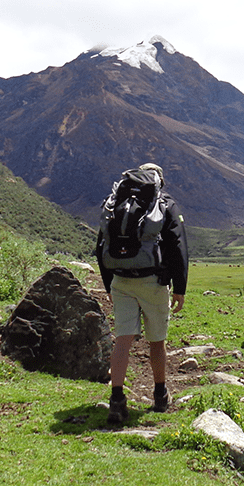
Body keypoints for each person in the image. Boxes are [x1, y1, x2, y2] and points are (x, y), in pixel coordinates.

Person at [95, 163, 188, 425]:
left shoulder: (115, 202)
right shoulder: (163, 203)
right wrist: (179, 287)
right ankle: (160, 395)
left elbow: (101, 245)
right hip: (152, 281)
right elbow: (177, 245)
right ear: (159, 181)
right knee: (156, 341)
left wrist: (108, 284)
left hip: (120, 280)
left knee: (122, 340)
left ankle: (116, 400)